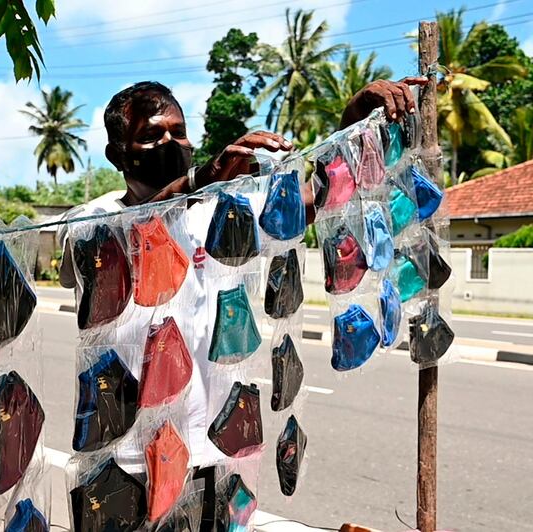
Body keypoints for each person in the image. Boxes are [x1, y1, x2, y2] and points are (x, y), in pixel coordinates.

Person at [58, 78, 425, 530]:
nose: (170, 142)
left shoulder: (222, 211)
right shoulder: (90, 222)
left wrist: (352, 118)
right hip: (126, 462)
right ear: (117, 155)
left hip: (215, 454)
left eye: (179, 131)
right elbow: (129, 232)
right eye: (152, 136)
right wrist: (200, 179)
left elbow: (315, 195)